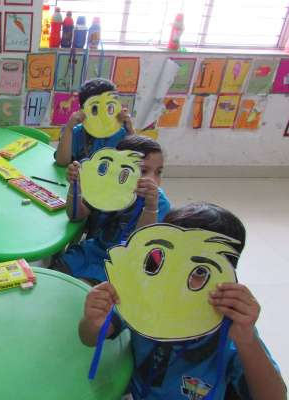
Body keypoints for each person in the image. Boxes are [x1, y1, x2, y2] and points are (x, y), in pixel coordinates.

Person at [79, 202, 286, 400]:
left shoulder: (231, 328)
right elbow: (89, 338)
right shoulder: (144, 296)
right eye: (165, 262)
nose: (175, 279)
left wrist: (247, 341)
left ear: (226, 277)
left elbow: (275, 397)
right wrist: (92, 321)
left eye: (199, 271)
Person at [57, 135, 170, 284]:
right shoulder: (108, 187)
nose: (153, 180)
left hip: (126, 265)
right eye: (143, 171)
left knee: (88, 291)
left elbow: (142, 247)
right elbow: (76, 216)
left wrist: (150, 207)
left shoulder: (159, 203)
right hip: (93, 251)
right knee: (57, 271)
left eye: (158, 172)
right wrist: (75, 187)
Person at [55, 78, 134, 166]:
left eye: (109, 107)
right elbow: (61, 162)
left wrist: (130, 130)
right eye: (95, 109)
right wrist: (69, 128)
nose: (103, 115)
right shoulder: (76, 132)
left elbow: (137, 164)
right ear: (82, 110)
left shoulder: (122, 133)